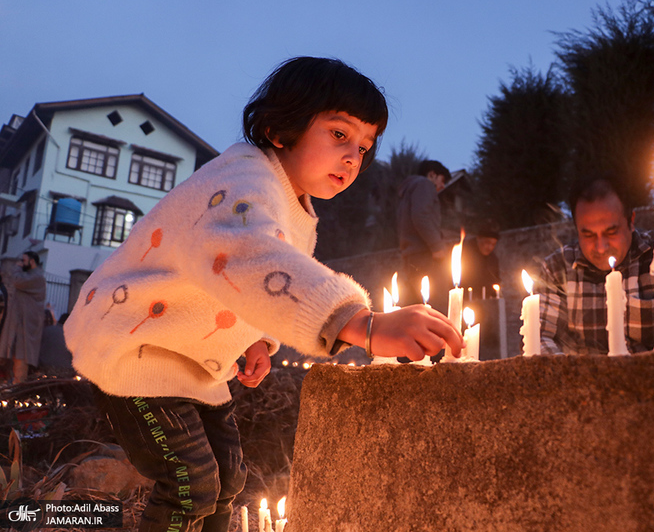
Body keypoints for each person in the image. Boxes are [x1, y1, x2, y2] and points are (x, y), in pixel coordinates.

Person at [64, 57, 463, 532]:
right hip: (131, 345)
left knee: (230, 480)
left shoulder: (292, 206)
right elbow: (247, 255)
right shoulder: (243, 181)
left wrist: (253, 338)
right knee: (191, 483)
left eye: (364, 145)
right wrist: (360, 323)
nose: (353, 156)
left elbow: (241, 282)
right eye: (339, 134)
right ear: (279, 129)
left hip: (185, 356)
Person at [537, 178, 654, 355]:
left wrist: (652, 371)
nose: (601, 247)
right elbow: (542, 338)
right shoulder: (557, 268)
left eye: (611, 232)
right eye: (588, 235)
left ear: (631, 221)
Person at [396, 160, 451, 310]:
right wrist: (437, 246)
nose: (443, 186)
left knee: (416, 309)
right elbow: (421, 216)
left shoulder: (409, 191)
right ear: (432, 174)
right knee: (436, 308)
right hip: (425, 256)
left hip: (412, 256)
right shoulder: (424, 184)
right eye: (442, 180)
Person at [0, 251, 47, 384]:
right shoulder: (29, 276)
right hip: (18, 326)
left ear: (32, 261)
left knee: (21, 361)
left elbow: (16, 281)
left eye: (23, 260)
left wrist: (17, 267)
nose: (21, 262)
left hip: (27, 329)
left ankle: (17, 391)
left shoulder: (37, 277)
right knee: (12, 360)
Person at [461, 219, 501, 299]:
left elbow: (496, 279)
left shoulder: (493, 259)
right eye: (487, 242)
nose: (489, 247)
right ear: (478, 239)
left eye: (493, 244)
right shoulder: (465, 255)